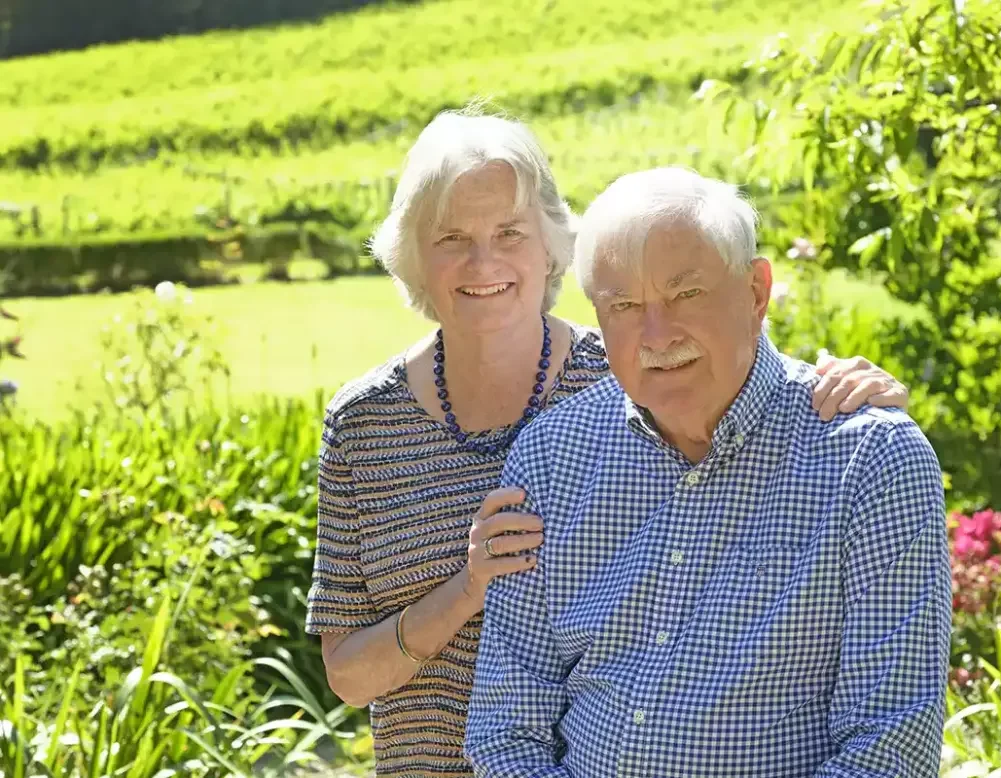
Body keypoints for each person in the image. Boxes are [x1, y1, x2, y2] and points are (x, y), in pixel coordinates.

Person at [304, 111, 912, 778]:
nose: (485, 262)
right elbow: (349, 675)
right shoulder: (368, 422)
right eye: (453, 237)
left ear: (549, 246)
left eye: (509, 232)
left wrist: (850, 397)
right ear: (416, 253)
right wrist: (469, 586)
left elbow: (723, 357)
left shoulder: (625, 372)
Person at [465, 166, 952, 778]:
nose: (657, 334)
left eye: (685, 294)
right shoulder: (550, 456)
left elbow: (888, 751)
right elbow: (507, 729)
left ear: (756, 292)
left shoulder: (869, 461)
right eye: (624, 305)